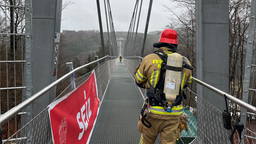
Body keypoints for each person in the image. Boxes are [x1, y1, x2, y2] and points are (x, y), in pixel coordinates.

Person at [134, 29, 193, 144]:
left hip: (153, 111)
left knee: (146, 141)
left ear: (160, 43)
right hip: (175, 113)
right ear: (175, 44)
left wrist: (149, 85)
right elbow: (187, 83)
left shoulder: (149, 59)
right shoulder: (186, 62)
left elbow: (138, 80)